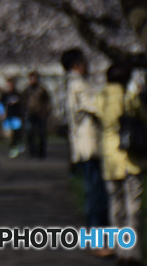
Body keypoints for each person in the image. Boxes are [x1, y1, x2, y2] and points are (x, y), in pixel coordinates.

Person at [61, 47, 111, 254]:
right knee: (95, 194)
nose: (87, 64)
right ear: (76, 65)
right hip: (89, 146)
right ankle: (96, 241)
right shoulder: (78, 85)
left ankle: (101, 239)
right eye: (83, 60)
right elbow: (98, 107)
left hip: (87, 146)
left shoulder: (75, 84)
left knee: (97, 192)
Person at [97, 63, 146, 265]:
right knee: (133, 206)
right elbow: (143, 116)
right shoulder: (128, 96)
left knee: (115, 205)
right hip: (129, 157)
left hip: (109, 157)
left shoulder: (101, 98)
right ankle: (131, 253)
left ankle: (118, 248)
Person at [23, 70, 52, 159]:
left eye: (34, 78)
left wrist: (46, 112)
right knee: (30, 132)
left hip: (40, 114)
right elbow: (23, 101)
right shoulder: (27, 90)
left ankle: (42, 152)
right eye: (31, 78)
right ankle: (32, 151)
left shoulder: (41, 90)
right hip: (30, 114)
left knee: (41, 133)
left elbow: (48, 101)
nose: (32, 80)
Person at [0, 76, 25, 158]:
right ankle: (13, 146)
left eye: (10, 85)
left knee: (16, 133)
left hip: (16, 116)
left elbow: (22, 105)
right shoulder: (4, 95)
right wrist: (1, 114)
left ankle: (15, 147)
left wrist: (22, 115)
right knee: (9, 135)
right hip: (7, 117)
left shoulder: (18, 95)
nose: (9, 87)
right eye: (8, 85)